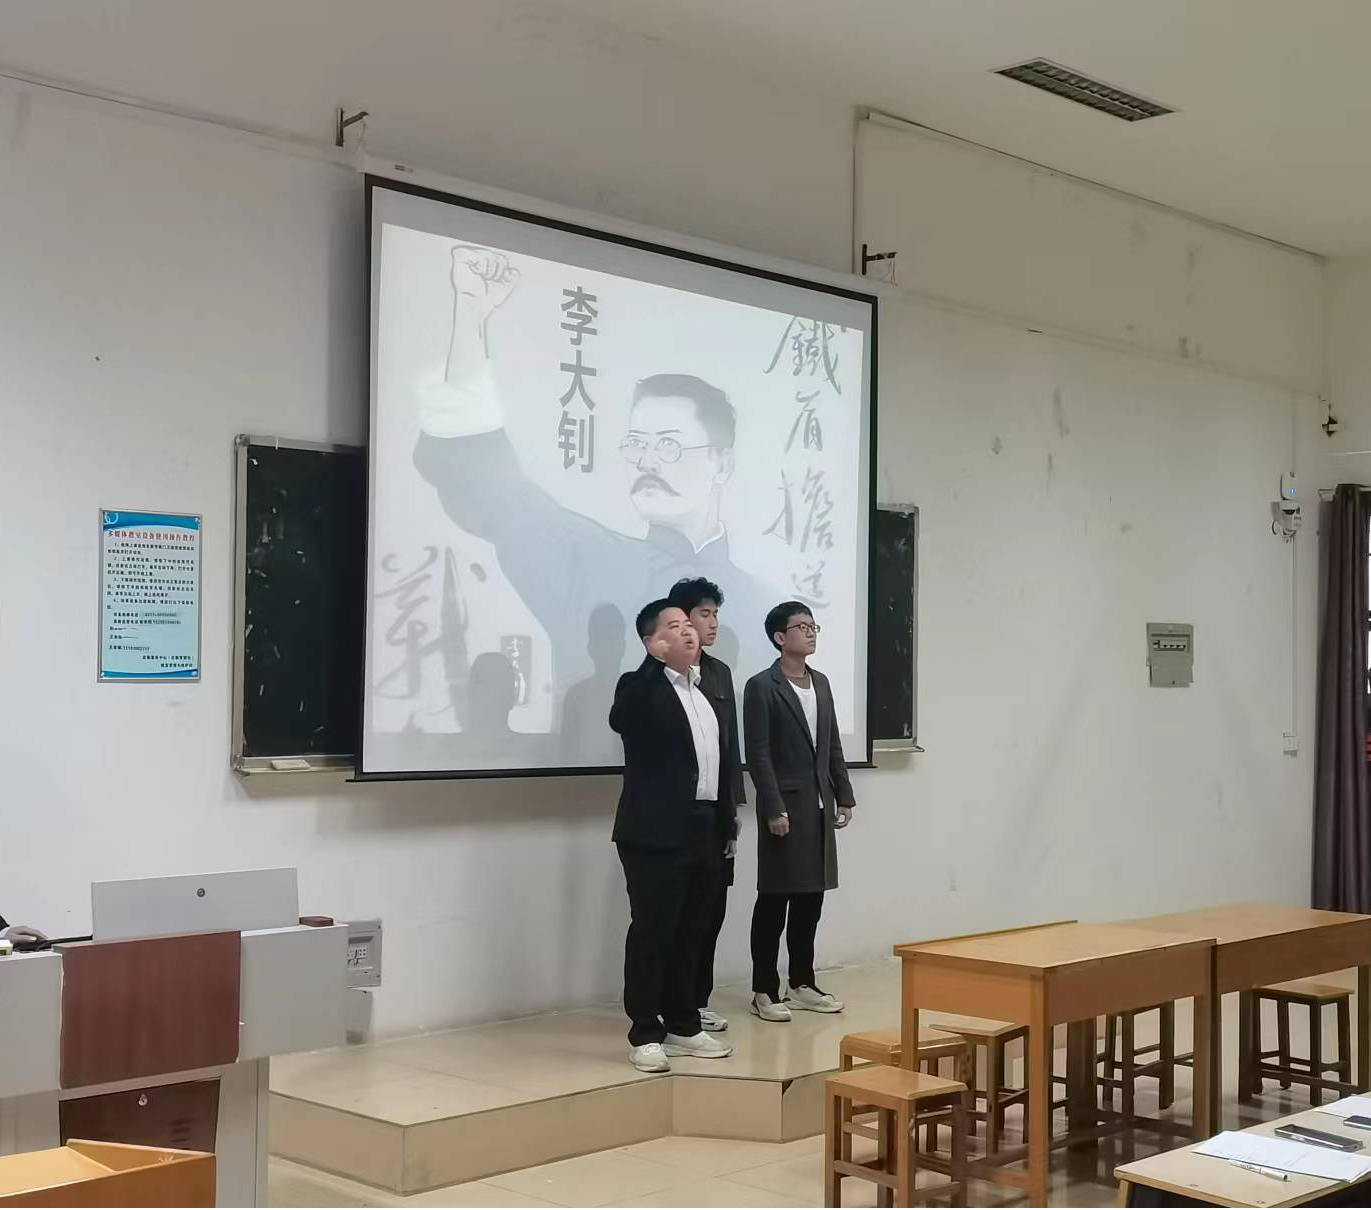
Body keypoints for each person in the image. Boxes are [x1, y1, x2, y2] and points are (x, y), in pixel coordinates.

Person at [411, 245, 777, 704]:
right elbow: (489, 493)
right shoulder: (589, 560)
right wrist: (470, 312)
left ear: (722, 464)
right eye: (636, 444)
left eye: (668, 445)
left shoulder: (766, 603)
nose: (646, 461)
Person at [609, 600, 738, 1072]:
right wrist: (652, 664)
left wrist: (727, 823)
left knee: (693, 931)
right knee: (653, 931)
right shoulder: (638, 686)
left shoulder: (703, 693)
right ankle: (645, 1031)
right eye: (673, 626)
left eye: (689, 625)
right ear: (651, 641)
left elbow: (718, 766)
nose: (687, 632)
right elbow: (622, 719)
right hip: (654, 831)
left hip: (704, 828)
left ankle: (683, 1024)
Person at [743, 601, 855, 1022]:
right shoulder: (761, 686)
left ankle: (802, 982)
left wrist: (844, 795)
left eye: (813, 626)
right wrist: (774, 807)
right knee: (775, 900)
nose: (810, 633)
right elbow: (758, 754)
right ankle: (764, 989)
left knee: (811, 898)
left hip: (818, 804)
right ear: (779, 637)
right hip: (784, 809)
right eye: (801, 626)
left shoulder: (821, 682)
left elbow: (832, 744)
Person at [667, 577, 746, 1034]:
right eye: (704, 614)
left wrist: (732, 817)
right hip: (677, 818)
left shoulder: (719, 673)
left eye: (716, 614)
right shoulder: (658, 676)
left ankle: (697, 1000)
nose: (712, 623)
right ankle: (669, 1003)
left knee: (710, 913)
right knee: (674, 917)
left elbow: (728, 747)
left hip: (717, 814)